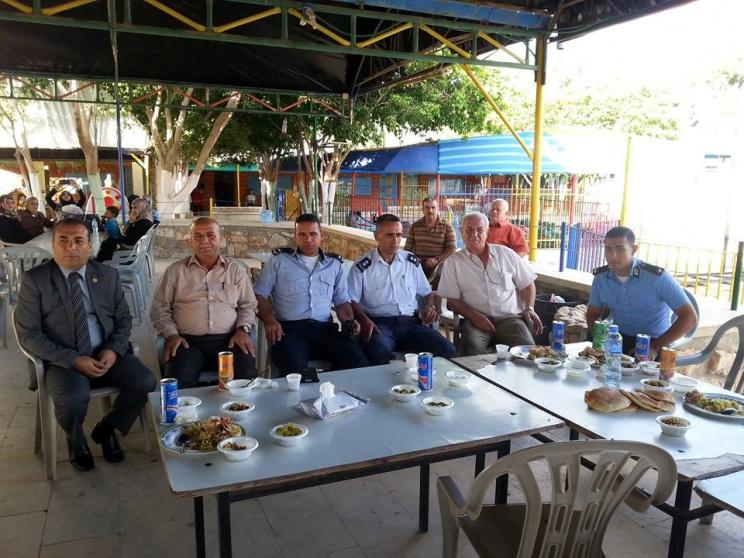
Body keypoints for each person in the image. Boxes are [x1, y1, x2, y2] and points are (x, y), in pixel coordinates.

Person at [14, 219, 156, 472]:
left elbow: (123, 318)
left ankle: (106, 429)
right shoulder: (35, 280)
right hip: (62, 360)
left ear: (90, 246)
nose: (71, 247)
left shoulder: (107, 275)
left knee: (145, 381)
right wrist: (73, 359)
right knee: (72, 399)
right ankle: (76, 439)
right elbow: (29, 334)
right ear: (53, 246)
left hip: (105, 353)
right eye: (64, 241)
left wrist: (113, 349)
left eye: (79, 241)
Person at [253, 213, 370, 374]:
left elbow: (342, 301)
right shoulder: (279, 261)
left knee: (358, 362)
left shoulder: (334, 264)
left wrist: (349, 320)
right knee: (294, 370)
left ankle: (327, 387)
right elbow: (258, 294)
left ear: (322, 235)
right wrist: (269, 320)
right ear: (295, 236)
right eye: (302, 234)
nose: (308, 239)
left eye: (313, 234)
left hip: (325, 330)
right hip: (290, 331)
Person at [150, 217, 258, 387]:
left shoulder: (235, 271)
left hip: (229, 339)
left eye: (211, 235)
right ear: (190, 242)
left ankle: (238, 405)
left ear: (221, 239)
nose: (205, 241)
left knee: (247, 377)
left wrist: (243, 329)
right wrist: (171, 335)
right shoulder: (175, 271)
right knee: (178, 382)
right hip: (187, 342)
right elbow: (159, 309)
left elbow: (248, 305)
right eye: (198, 236)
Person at [347, 213, 455, 365]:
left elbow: (426, 292)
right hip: (379, 325)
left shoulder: (410, 262)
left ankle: (427, 380)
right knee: (377, 351)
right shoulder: (363, 266)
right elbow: (351, 299)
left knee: (446, 348)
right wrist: (364, 321)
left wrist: (429, 306)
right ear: (377, 236)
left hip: (410, 325)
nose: (396, 240)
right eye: (390, 235)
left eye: (398, 235)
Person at [438, 212, 543, 356]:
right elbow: (452, 299)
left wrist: (529, 308)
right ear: (461, 232)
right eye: (469, 230)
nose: (474, 234)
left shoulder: (506, 254)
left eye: (480, 230)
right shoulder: (453, 262)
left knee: (526, 351)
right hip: (476, 319)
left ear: (487, 232)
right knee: (473, 351)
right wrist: (474, 317)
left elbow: (527, 283)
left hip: (510, 319)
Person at [586, 226, 698, 358]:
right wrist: (601, 338)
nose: (613, 255)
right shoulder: (601, 278)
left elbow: (690, 317)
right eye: (608, 249)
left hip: (656, 342)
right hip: (618, 340)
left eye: (620, 249)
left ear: (633, 250)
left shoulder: (656, 277)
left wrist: (655, 346)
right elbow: (592, 314)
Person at [403, 197, 456, 284]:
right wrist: (420, 262)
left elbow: (452, 249)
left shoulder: (447, 226)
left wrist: (436, 260)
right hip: (418, 263)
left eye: (433, 207)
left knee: (441, 274)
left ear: (438, 209)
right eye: (427, 207)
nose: (430, 210)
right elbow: (407, 248)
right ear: (422, 210)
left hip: (438, 265)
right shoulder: (415, 226)